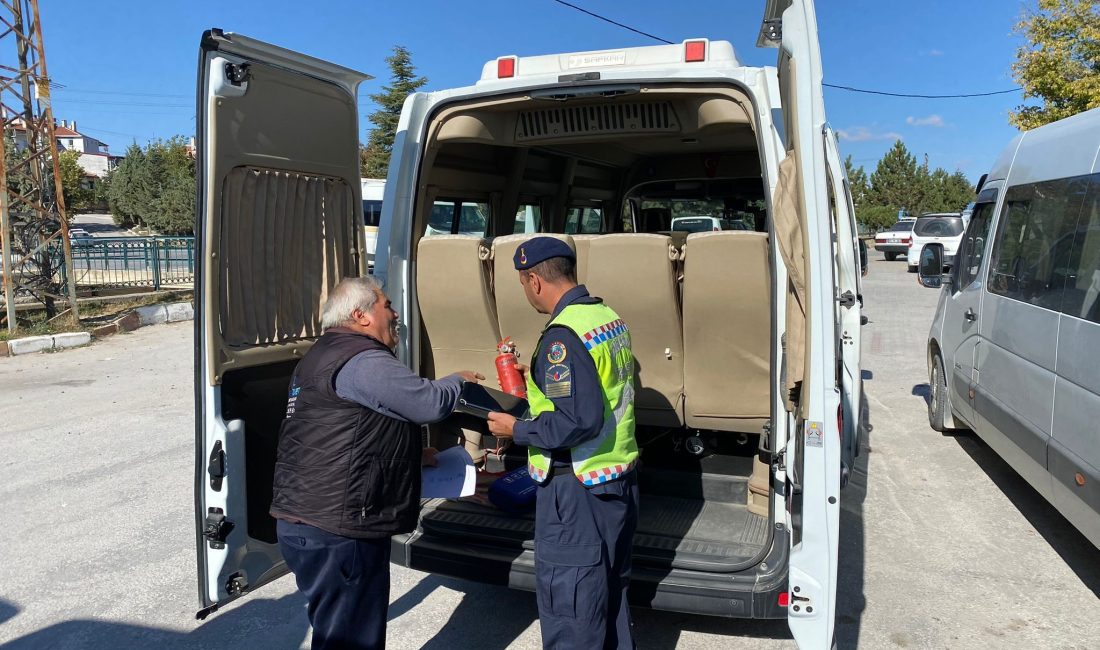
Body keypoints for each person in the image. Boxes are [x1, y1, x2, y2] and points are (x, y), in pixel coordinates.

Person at [269, 276, 483, 650]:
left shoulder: (321, 356)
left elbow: (343, 434)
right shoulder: (362, 359)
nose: (396, 313)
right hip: (340, 530)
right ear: (360, 315)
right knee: (351, 640)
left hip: (306, 520)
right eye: (387, 305)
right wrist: (458, 381)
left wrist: (414, 457)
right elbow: (426, 403)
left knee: (338, 632)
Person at [487, 237, 640, 649]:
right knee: (607, 602)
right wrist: (534, 372)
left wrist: (514, 431)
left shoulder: (562, 337)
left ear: (534, 280)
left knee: (572, 608)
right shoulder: (605, 316)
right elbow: (600, 390)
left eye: (523, 282)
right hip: (614, 481)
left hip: (575, 492)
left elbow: (577, 420)